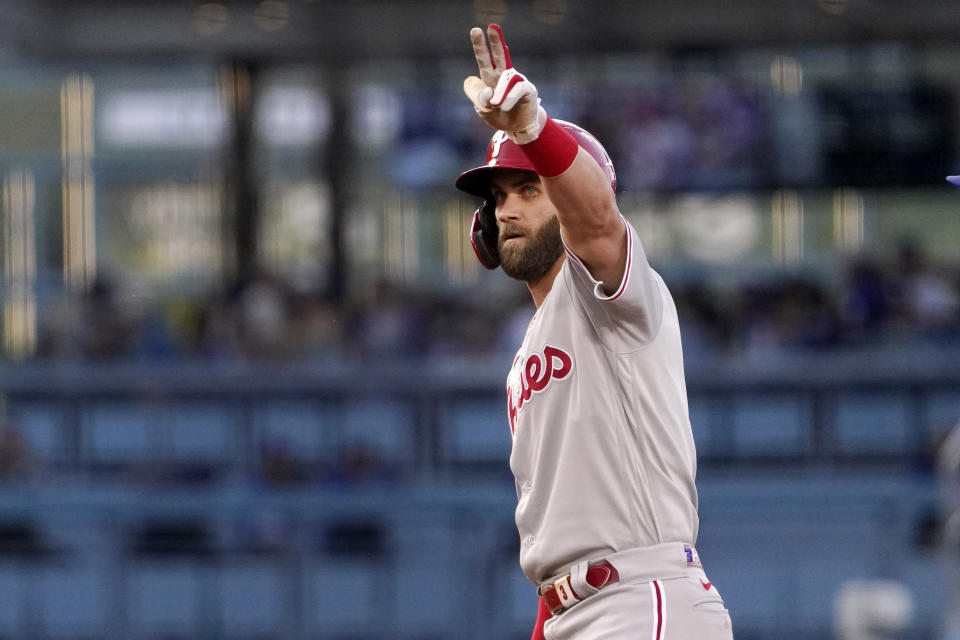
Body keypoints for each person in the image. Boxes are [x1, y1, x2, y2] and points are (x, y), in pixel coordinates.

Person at [455, 24, 733, 639]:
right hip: (571, 611)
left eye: (530, 189)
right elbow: (553, 532)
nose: (506, 208)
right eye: (498, 195)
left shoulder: (613, 295)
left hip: (641, 598)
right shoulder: (526, 347)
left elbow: (601, 227)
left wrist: (534, 132)